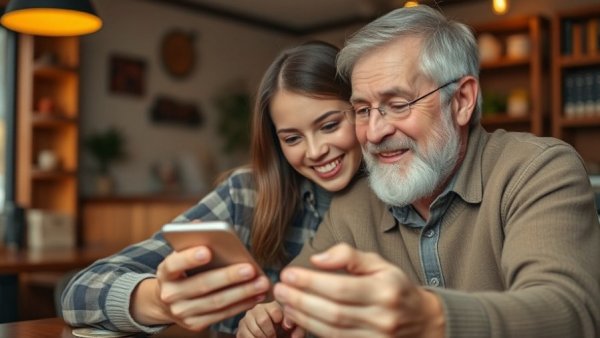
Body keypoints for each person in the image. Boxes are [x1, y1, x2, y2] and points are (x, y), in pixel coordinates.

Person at [247, 5, 600, 338]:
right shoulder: (353, 205)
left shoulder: (537, 170)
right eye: (362, 110)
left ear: (461, 100)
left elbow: (570, 311)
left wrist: (432, 315)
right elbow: (291, 300)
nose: (374, 132)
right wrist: (271, 319)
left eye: (397, 105)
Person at [60, 41, 363, 336]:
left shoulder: (396, 199)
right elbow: (79, 292)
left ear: (362, 109)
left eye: (329, 125)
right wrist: (160, 301)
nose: (314, 151)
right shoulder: (246, 195)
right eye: (292, 138)